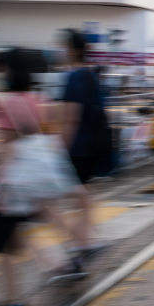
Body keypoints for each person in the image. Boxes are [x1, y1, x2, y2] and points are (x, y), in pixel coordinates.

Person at [0, 49, 85, 306]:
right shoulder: (42, 100)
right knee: (40, 216)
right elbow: (51, 136)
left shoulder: (1, 103)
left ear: (8, 72)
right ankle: (66, 262)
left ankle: (12, 304)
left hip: (16, 182)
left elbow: (7, 147)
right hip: (38, 179)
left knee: (3, 240)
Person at [61, 29, 107, 254]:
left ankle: (84, 241)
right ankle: (86, 238)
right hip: (93, 145)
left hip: (78, 147)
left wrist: (62, 148)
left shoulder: (73, 77)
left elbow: (71, 118)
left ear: (72, 49)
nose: (61, 51)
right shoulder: (90, 74)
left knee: (78, 195)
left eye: (63, 46)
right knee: (84, 192)